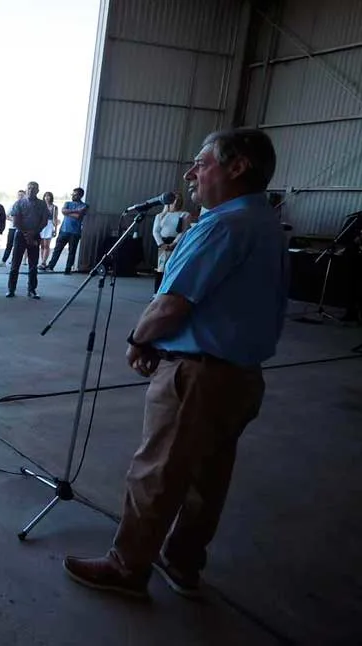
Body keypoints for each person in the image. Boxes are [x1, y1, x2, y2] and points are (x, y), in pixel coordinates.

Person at [64, 128, 288, 601]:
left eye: (202, 163)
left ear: (237, 167)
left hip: (198, 375)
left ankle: (127, 567)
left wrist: (138, 339)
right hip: (241, 376)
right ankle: (183, 561)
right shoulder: (265, 223)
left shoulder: (222, 225)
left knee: (158, 472)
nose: (190, 174)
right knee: (208, 475)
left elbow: (171, 304)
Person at [6, 181, 47, 299]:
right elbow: (16, 221)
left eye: (34, 188)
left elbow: (44, 221)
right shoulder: (19, 203)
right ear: (26, 189)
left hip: (35, 234)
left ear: (38, 191)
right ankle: (11, 289)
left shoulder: (42, 204)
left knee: (33, 264)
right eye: (29, 188)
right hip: (20, 235)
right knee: (15, 263)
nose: (31, 190)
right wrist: (26, 233)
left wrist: (33, 233)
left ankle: (32, 289)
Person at [152, 192, 190, 293]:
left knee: (173, 268)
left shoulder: (184, 215)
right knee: (161, 268)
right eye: (174, 200)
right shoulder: (160, 216)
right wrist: (161, 244)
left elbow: (183, 231)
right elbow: (156, 231)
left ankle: (169, 292)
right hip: (163, 243)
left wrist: (174, 243)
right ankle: (157, 293)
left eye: (179, 200)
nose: (176, 202)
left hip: (176, 243)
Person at [48, 187, 89, 274]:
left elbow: (78, 216)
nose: (73, 196)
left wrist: (68, 212)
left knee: (72, 252)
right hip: (63, 231)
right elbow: (63, 211)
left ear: (80, 195)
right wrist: (76, 211)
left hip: (75, 233)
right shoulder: (67, 203)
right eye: (72, 194)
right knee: (57, 250)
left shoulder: (85, 205)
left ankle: (68, 269)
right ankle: (51, 266)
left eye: (75, 194)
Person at [0, 189, 26, 266]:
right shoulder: (13, 205)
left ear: (25, 196)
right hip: (12, 228)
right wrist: (14, 220)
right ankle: (3, 261)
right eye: (19, 195)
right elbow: (6, 216)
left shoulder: (26, 206)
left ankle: (14, 261)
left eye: (22, 195)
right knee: (9, 244)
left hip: (22, 229)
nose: (20, 196)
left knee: (18, 246)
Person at [39, 191, 60, 269]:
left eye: (48, 196)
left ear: (51, 197)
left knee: (46, 245)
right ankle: (42, 261)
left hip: (49, 225)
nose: (47, 198)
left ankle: (44, 262)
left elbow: (55, 219)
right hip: (41, 225)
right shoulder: (41, 206)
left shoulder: (54, 207)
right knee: (42, 245)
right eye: (45, 196)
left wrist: (55, 230)